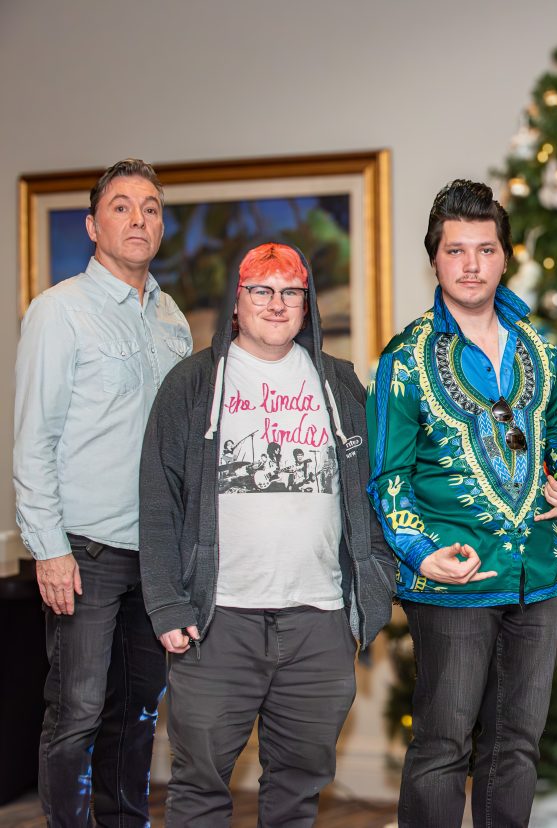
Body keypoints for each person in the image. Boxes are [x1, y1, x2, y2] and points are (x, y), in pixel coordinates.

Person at [139, 242, 396, 826]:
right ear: (238, 301)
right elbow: (157, 502)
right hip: (216, 621)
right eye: (262, 290)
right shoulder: (192, 385)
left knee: (298, 792)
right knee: (199, 787)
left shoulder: (341, 385)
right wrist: (166, 603)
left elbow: (376, 490)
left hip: (320, 621)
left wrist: (373, 579)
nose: (277, 304)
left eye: (290, 292)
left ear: (307, 305)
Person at [367, 180, 557, 827]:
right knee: (442, 746)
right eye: (455, 250)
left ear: (504, 257)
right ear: (434, 259)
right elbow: (387, 477)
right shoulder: (405, 359)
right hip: (452, 579)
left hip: (536, 580)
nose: (471, 264)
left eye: (485, 249)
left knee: (516, 746)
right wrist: (420, 553)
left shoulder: (539, 346)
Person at [13, 158, 190, 826]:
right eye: (121, 206)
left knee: (139, 713)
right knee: (77, 713)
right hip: (82, 553)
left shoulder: (171, 316)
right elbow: (33, 441)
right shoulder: (59, 312)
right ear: (93, 224)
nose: (138, 219)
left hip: (156, 554)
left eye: (150, 206)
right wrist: (48, 550)